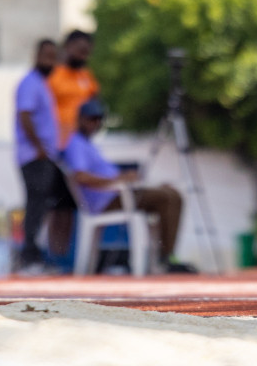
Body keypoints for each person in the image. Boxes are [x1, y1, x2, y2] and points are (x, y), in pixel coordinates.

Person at [61, 99, 185, 268]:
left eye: (99, 119)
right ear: (80, 119)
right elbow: (80, 177)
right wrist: (119, 180)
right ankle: (165, 259)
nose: (95, 123)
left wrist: (126, 179)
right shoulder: (76, 144)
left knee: (171, 193)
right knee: (167, 197)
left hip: (119, 192)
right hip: (108, 200)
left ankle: (164, 257)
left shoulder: (89, 144)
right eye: (91, 118)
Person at [15, 39, 71, 271]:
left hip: (46, 155)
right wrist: (38, 147)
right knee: (36, 205)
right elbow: (25, 115)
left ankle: (50, 255)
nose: (50, 61)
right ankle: (29, 257)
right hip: (34, 156)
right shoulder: (30, 83)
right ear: (36, 56)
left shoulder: (43, 84)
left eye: (53, 56)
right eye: (46, 56)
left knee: (57, 203)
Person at [50, 30, 99, 142]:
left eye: (86, 53)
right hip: (57, 140)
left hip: (81, 139)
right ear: (68, 47)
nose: (83, 57)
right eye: (81, 51)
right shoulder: (52, 75)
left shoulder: (85, 75)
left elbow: (95, 102)